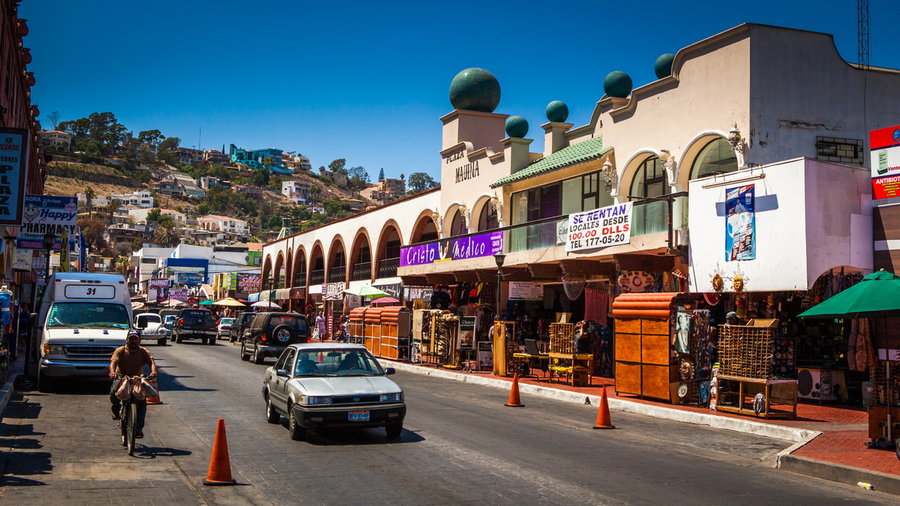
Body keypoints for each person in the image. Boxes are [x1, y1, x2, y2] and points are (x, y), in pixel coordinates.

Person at [109, 331, 158, 439]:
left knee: (141, 402)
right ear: (126, 340)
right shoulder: (120, 350)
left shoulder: (143, 351)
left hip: (137, 378)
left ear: (139, 340)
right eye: (131, 339)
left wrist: (153, 371)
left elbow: (151, 363)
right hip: (122, 377)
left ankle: (138, 429)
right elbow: (113, 362)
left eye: (135, 339)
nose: (133, 341)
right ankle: (115, 409)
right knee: (114, 392)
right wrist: (112, 372)